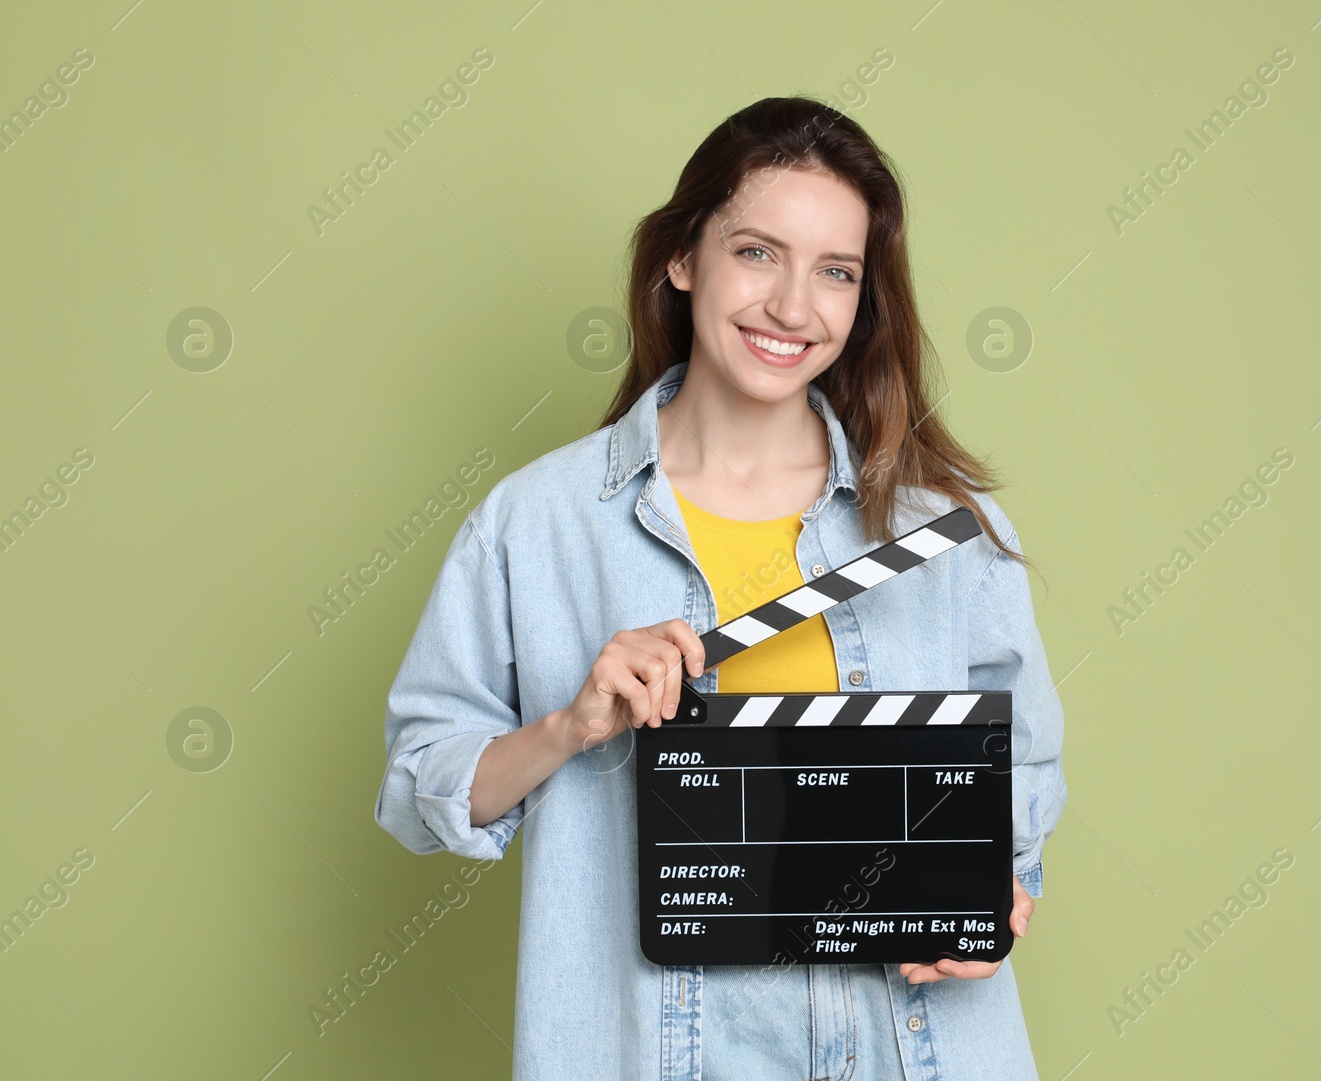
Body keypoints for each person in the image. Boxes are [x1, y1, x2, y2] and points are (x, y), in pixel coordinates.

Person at [375, 96, 1067, 1081]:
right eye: (756, 252)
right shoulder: (535, 528)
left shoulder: (946, 535)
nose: (793, 307)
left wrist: (999, 886)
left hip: (915, 1051)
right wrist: (570, 724)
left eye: (836, 271)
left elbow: (1023, 765)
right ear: (682, 258)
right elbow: (418, 788)